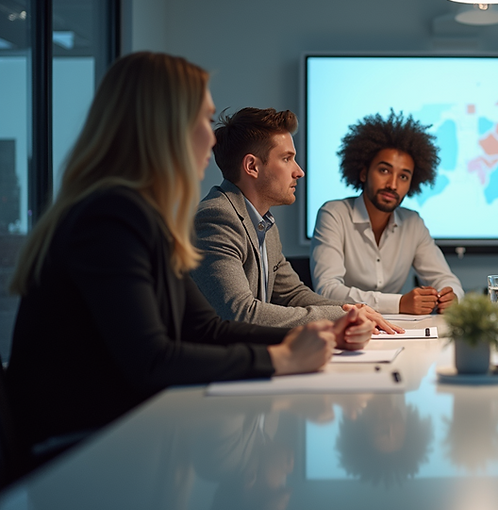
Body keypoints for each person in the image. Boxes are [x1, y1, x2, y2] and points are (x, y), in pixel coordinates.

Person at [4, 52, 375, 452]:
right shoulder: (110, 217)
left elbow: (205, 328)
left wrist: (319, 333)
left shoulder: (143, 214)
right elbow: (152, 360)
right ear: (163, 128)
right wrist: (282, 359)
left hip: (114, 437)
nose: (211, 136)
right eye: (202, 119)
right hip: (75, 452)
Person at [191, 107, 400, 335]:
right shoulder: (216, 218)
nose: (299, 172)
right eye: (287, 159)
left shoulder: (264, 223)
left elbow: (293, 295)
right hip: (220, 365)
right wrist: (339, 316)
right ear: (252, 166)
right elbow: (242, 313)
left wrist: (351, 310)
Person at [310, 111, 463, 314]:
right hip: (344, 328)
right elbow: (327, 290)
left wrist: (451, 298)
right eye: (384, 170)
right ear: (364, 173)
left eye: (403, 177)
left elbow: (447, 280)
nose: (392, 185)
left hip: (397, 330)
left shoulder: (413, 223)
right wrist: (398, 304)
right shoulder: (333, 214)